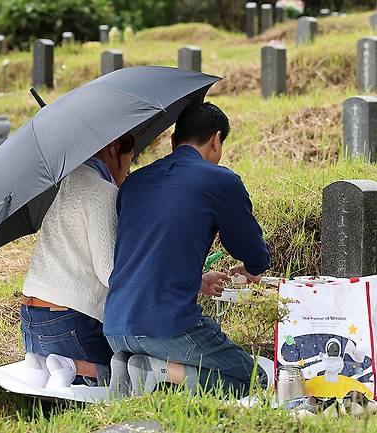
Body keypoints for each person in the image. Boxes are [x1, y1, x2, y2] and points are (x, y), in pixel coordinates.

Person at [104, 102, 271, 397]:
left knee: (208, 342)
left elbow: (147, 255)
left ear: (172, 141)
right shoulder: (221, 181)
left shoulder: (134, 183)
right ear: (216, 140)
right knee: (254, 380)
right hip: (166, 328)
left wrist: (197, 280)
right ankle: (159, 370)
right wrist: (251, 269)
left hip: (116, 327)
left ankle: (132, 364)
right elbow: (254, 253)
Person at [19, 134, 135, 389]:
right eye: (130, 159)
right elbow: (109, 273)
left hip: (30, 321)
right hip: (67, 325)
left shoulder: (65, 183)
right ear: (113, 147)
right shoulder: (102, 190)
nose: (128, 170)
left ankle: (40, 361)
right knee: (127, 369)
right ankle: (72, 366)